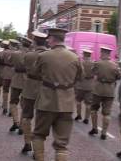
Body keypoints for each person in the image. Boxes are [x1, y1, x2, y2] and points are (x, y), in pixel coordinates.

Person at [32, 28, 82, 161]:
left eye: (48, 38)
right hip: (66, 103)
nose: (47, 40)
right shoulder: (75, 57)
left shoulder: (43, 56)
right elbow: (79, 77)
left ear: (53, 39)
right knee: (62, 144)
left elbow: (35, 74)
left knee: (38, 135)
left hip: (46, 102)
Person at [21, 31, 48, 154]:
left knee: (27, 116)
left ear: (34, 42)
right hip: (46, 90)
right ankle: (38, 150)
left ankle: (27, 143)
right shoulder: (49, 55)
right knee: (41, 119)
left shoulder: (29, 55)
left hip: (30, 88)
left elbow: (23, 67)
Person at [89, 47, 121, 140]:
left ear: (103, 53)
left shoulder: (97, 63)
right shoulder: (115, 65)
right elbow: (119, 77)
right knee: (107, 113)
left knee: (94, 109)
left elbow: (92, 72)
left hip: (98, 90)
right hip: (109, 91)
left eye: (101, 52)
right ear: (109, 54)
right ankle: (104, 133)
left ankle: (94, 128)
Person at [9, 36, 32, 134]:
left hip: (16, 79)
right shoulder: (32, 55)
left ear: (22, 44)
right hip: (28, 80)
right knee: (24, 104)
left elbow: (10, 62)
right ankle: (22, 125)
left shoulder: (15, 54)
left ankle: (16, 121)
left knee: (13, 101)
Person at [74, 49, 94, 124]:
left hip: (80, 84)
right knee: (88, 103)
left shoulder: (80, 62)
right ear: (90, 55)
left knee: (78, 101)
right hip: (90, 85)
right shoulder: (94, 63)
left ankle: (79, 115)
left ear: (84, 54)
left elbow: (77, 73)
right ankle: (86, 118)